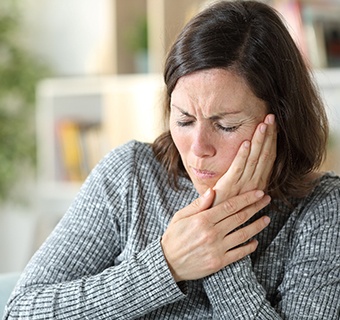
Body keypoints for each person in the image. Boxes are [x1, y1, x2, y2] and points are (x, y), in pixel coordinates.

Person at [4, 1, 339, 319]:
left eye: (226, 125)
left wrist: (220, 248)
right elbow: (20, 311)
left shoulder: (321, 208)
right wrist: (166, 265)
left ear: (280, 120)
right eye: (184, 120)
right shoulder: (130, 174)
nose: (198, 147)